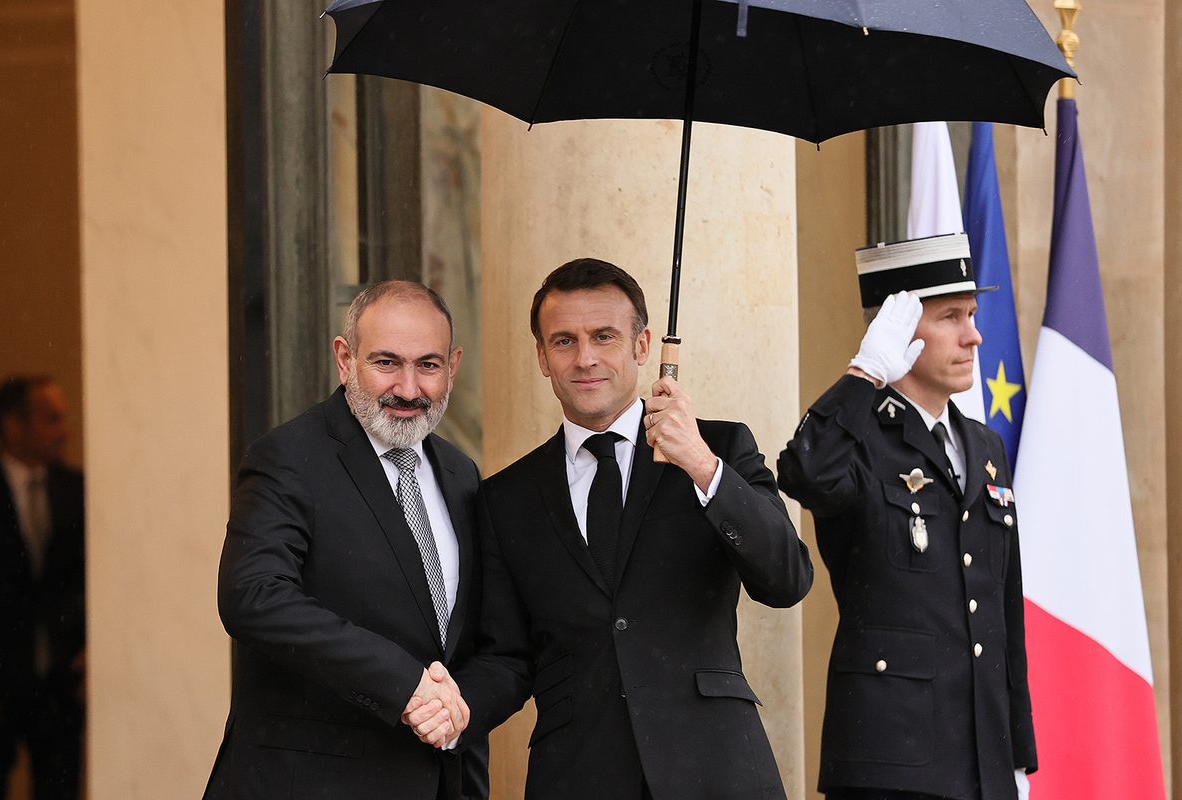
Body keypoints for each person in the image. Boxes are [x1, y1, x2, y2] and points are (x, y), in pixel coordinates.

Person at [410, 258, 814, 800]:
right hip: (577, 774)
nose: (586, 358)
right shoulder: (505, 497)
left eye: (605, 336)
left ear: (642, 346)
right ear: (542, 357)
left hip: (715, 767)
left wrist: (701, 464)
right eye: (564, 341)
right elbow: (509, 655)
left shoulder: (719, 448)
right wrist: (454, 707)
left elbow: (787, 579)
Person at [776, 232, 1036, 800]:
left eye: (971, 315)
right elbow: (804, 473)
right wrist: (865, 372)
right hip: (889, 762)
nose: (973, 335)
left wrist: (1017, 754)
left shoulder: (984, 446)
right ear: (897, 331)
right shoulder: (857, 438)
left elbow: (1003, 607)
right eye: (950, 317)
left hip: (982, 761)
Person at [203, 281, 487, 800]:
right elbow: (253, 595)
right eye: (386, 363)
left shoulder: (461, 473)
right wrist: (403, 681)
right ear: (344, 358)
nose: (408, 389)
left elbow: (464, 640)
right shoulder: (289, 457)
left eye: (428, 365)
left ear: (453, 365)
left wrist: (456, 719)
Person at [0, 376, 86, 800]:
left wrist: (94, 650)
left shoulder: (76, 489)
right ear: (13, 425)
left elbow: (95, 581)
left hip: (61, 684)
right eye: (51, 419)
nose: (65, 431)